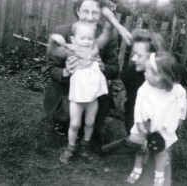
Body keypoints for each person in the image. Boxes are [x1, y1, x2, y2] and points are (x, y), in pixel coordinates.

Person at [43, 0, 131, 149]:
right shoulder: (64, 32)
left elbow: (115, 70)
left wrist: (101, 66)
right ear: (77, 10)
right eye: (85, 11)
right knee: (70, 119)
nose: (90, 17)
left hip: (93, 89)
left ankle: (88, 129)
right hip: (69, 87)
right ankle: (63, 119)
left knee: (90, 123)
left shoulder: (105, 38)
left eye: (95, 12)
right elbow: (52, 67)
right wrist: (65, 71)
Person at [48, 20, 112, 163]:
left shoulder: (94, 50)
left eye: (90, 38)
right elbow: (52, 51)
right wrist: (53, 41)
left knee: (89, 123)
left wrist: (108, 26)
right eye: (82, 38)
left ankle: (85, 146)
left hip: (92, 99)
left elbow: (105, 37)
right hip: (77, 98)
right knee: (75, 124)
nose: (86, 41)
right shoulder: (71, 51)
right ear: (73, 39)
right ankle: (70, 148)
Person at [126, 52, 187, 186]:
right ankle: (137, 169)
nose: (145, 73)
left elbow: (182, 107)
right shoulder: (145, 87)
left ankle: (159, 176)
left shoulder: (178, 91)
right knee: (141, 149)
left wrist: (180, 120)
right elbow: (139, 106)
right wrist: (139, 122)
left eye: (148, 71)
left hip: (164, 126)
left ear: (161, 76)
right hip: (145, 124)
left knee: (161, 152)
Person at [121, 29, 187, 135]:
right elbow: (132, 109)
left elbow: (179, 102)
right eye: (133, 54)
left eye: (139, 55)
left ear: (155, 55)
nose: (133, 59)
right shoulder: (129, 75)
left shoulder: (176, 73)